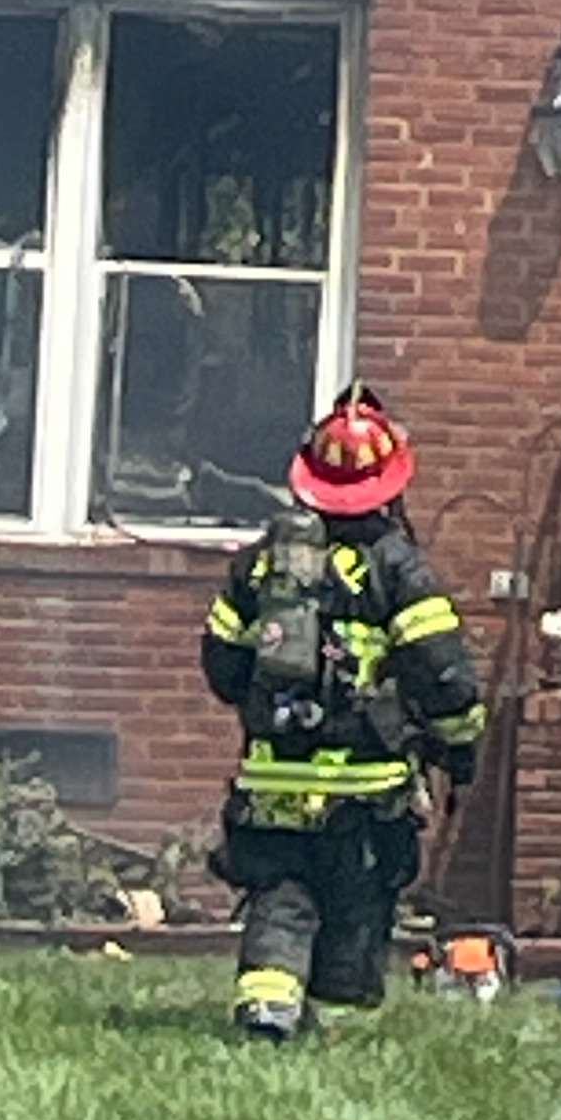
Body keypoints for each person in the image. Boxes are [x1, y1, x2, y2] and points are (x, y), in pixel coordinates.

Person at [200, 386, 488, 1042]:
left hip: (270, 782)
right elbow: (445, 677)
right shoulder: (397, 568)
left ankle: (267, 1009)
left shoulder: (262, 566)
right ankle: (334, 1023)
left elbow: (222, 669)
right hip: (364, 793)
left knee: (279, 894)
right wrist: (459, 746)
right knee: (356, 903)